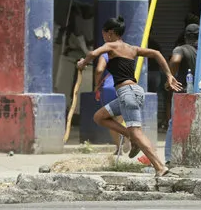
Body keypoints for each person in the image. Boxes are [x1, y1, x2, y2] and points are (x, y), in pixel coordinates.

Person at [77, 16, 181, 177]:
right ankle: (130, 136)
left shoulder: (111, 45)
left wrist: (83, 63)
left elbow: (92, 53)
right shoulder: (132, 48)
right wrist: (168, 75)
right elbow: (156, 53)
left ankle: (159, 167)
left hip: (127, 94)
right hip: (134, 93)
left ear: (110, 33)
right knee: (99, 117)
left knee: (137, 132)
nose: (104, 37)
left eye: (104, 34)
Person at [164, 24, 199, 166]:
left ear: (185, 36)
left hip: (183, 91)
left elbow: (175, 60)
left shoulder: (181, 49)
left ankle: (169, 158)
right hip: (200, 92)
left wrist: (170, 78)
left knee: (174, 124)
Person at [95, 52, 131, 155]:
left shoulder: (106, 55)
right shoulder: (127, 53)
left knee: (110, 120)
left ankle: (119, 146)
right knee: (121, 118)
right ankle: (127, 138)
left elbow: (99, 70)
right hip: (126, 85)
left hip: (110, 87)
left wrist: (96, 85)